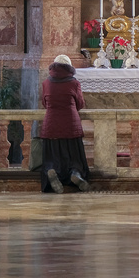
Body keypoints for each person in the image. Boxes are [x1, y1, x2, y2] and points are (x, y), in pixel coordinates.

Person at [41, 55, 90, 193]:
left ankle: (52, 170)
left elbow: (44, 103)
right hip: (71, 124)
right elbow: (80, 104)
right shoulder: (74, 83)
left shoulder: (46, 83)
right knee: (74, 155)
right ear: (69, 68)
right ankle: (75, 173)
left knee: (52, 156)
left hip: (51, 124)